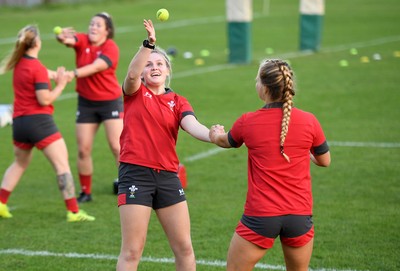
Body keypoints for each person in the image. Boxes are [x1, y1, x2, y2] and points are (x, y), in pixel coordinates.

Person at [209, 59, 331, 271]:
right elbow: (325, 161)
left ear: (264, 88)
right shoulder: (310, 121)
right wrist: (305, 154)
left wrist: (214, 133)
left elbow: (224, 141)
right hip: (299, 216)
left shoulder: (248, 121)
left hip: (261, 216)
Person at [116, 19, 211, 271]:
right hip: (135, 173)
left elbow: (193, 126)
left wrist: (214, 136)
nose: (154, 67)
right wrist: (148, 46)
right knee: (132, 251)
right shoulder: (134, 92)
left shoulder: (178, 101)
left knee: (185, 248)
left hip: (168, 175)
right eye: (149, 64)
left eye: (159, 63)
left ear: (168, 70)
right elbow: (132, 74)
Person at [0, 25, 95, 222]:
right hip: (40, 123)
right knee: (62, 166)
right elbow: (44, 99)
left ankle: (1, 203)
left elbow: (44, 73)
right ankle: (74, 212)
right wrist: (60, 85)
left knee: (19, 163)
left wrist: (61, 75)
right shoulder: (36, 68)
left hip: (20, 124)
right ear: (37, 43)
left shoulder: (20, 63)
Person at [54, 12, 123, 203]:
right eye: (92, 24)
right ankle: (86, 192)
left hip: (110, 102)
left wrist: (73, 73)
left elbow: (96, 67)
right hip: (86, 103)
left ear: (107, 31)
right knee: (83, 149)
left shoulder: (111, 47)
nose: (93, 27)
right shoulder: (82, 40)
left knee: (117, 147)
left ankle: (127, 186)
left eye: (98, 25)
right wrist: (60, 37)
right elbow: (68, 41)